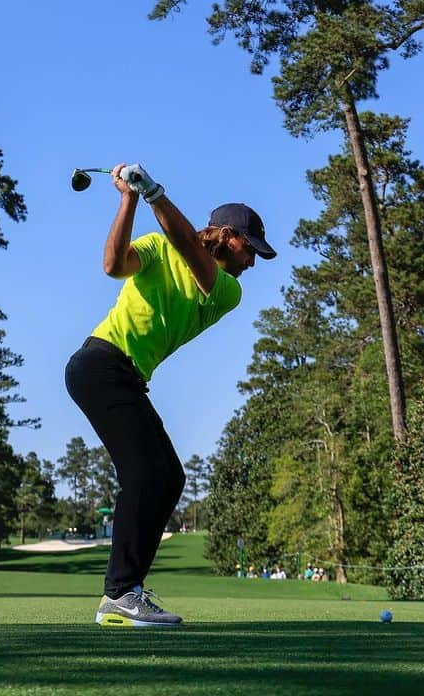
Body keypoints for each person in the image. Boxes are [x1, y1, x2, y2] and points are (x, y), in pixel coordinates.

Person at [65, 163, 275, 629]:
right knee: (144, 474)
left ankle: (126, 591)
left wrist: (156, 193)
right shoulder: (159, 246)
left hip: (124, 376)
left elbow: (195, 259)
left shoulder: (226, 290)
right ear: (226, 235)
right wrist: (129, 200)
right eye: (250, 248)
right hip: (100, 364)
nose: (253, 260)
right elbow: (112, 265)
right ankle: (120, 594)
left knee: (169, 478)